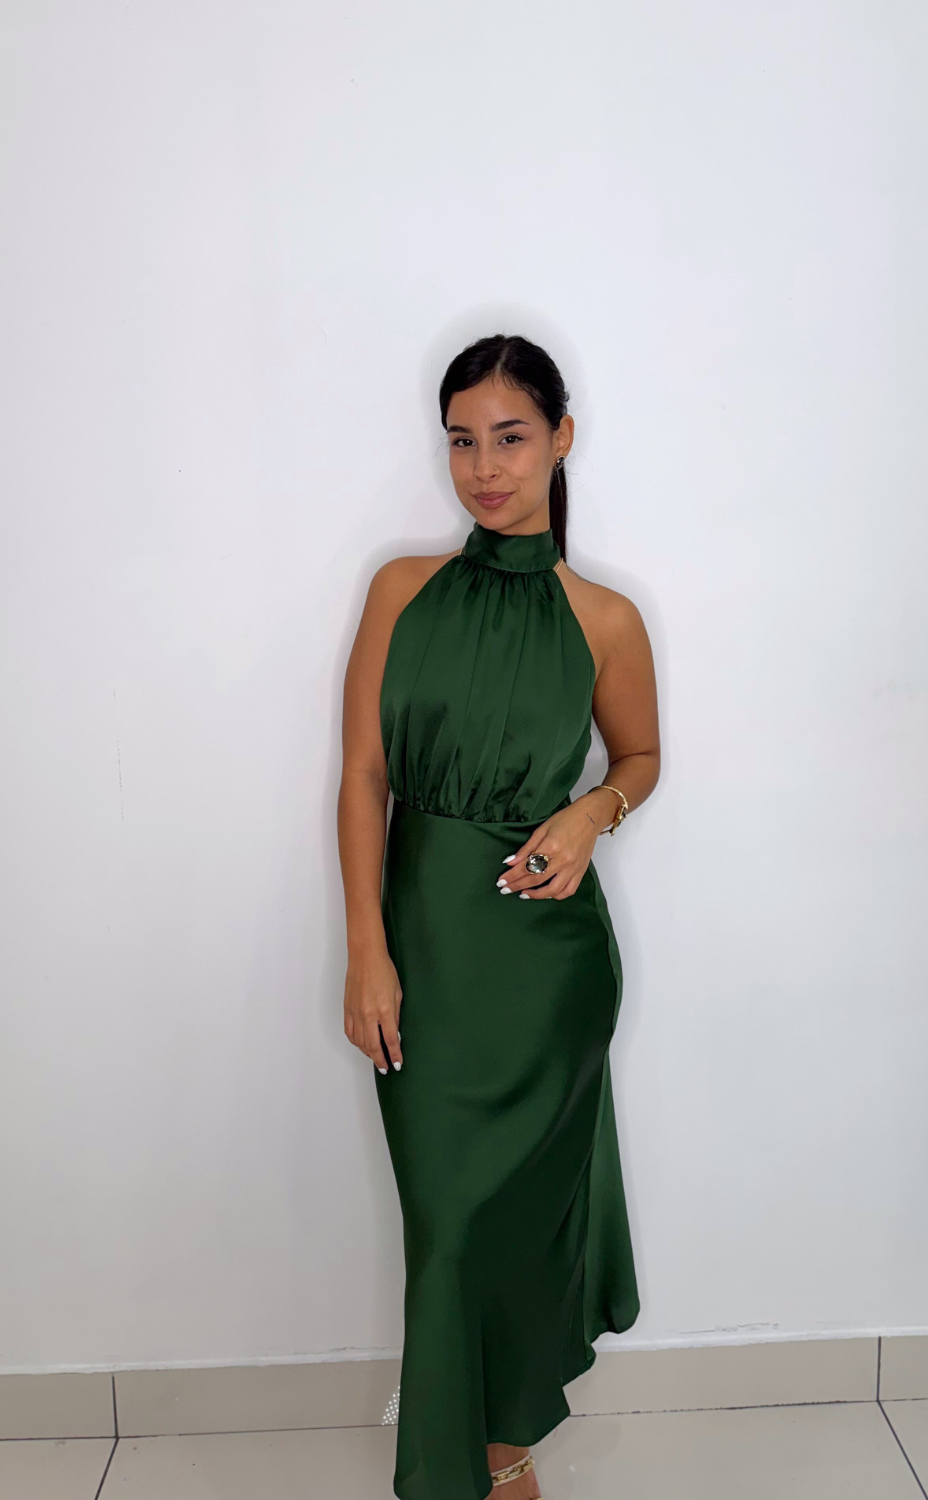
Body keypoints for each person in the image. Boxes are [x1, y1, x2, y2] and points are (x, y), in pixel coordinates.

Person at [338, 333, 660, 1500]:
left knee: (509, 1228)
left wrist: (590, 814)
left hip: (545, 975)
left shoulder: (603, 618)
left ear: (560, 438)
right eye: (462, 441)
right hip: (424, 959)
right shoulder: (400, 590)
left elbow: (641, 756)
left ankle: (495, 1454)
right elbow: (363, 778)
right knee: (447, 1227)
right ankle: (472, 1460)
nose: (483, 467)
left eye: (510, 438)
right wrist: (366, 952)